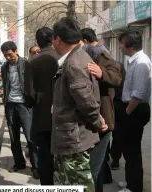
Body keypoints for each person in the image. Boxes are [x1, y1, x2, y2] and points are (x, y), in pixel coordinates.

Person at [51, 17, 108, 192]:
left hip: (73, 140)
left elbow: (86, 101)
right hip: (72, 137)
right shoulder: (79, 57)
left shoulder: (73, 63)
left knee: (79, 185)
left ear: (58, 39)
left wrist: (98, 122)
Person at [84, 45, 122, 192]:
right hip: (88, 120)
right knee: (95, 166)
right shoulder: (78, 58)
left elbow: (118, 79)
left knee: (96, 165)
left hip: (104, 119)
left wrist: (102, 73)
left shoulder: (105, 59)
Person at [25, 27, 60, 185]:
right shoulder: (63, 58)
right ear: (53, 39)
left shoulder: (33, 62)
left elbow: (29, 94)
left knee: (45, 158)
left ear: (38, 42)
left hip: (42, 118)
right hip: (64, 119)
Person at [117, 31, 151, 192]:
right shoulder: (134, 61)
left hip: (134, 110)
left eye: (122, 43)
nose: (120, 47)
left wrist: (127, 113)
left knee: (132, 150)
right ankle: (130, 181)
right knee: (128, 148)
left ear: (129, 45)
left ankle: (134, 187)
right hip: (131, 108)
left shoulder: (141, 63)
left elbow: (138, 94)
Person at [0, 41, 39, 179]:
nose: (8, 58)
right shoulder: (4, 67)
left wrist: (31, 101)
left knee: (30, 137)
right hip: (10, 105)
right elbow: (5, 86)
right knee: (13, 137)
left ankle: (36, 166)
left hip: (24, 105)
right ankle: (19, 163)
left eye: (10, 55)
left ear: (16, 51)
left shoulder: (27, 64)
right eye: (5, 56)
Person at [110, 61, 126, 170]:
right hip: (118, 103)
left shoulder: (117, 67)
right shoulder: (120, 66)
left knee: (113, 133)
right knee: (117, 134)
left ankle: (114, 158)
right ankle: (115, 159)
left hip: (115, 104)